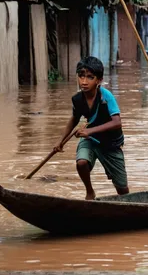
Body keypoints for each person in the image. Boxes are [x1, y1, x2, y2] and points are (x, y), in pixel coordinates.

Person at [53, 56, 129, 200]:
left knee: (123, 191)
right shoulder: (77, 99)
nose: (84, 81)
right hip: (91, 140)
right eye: (81, 76)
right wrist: (60, 141)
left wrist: (89, 131)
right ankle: (90, 191)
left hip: (110, 143)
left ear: (98, 80)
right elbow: (74, 119)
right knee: (81, 162)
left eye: (90, 77)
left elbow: (117, 122)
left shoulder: (106, 97)